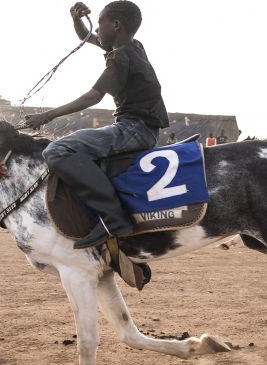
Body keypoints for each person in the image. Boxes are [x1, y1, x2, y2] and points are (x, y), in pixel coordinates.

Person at [25, 1, 169, 249]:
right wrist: (76, 19)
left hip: (134, 128)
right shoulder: (133, 46)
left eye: (100, 21)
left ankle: (114, 219)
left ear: (115, 25)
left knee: (57, 150)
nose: (98, 28)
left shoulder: (122, 56)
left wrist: (46, 116)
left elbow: (93, 97)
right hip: (142, 127)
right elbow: (85, 37)